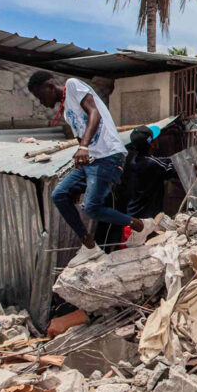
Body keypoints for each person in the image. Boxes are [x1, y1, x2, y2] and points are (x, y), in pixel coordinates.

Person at [27, 71, 146, 266]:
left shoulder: (73, 85)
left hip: (108, 155)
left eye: (41, 96)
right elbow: (80, 139)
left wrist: (83, 147)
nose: (41, 102)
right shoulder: (67, 112)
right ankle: (89, 246)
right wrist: (78, 184)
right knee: (60, 194)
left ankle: (139, 225)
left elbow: (94, 113)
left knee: (91, 208)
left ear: (50, 86)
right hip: (92, 161)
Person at [122, 125, 177, 220]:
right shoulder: (151, 164)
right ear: (151, 144)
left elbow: (164, 160)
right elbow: (174, 170)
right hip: (146, 218)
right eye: (155, 138)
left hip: (133, 213)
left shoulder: (136, 160)